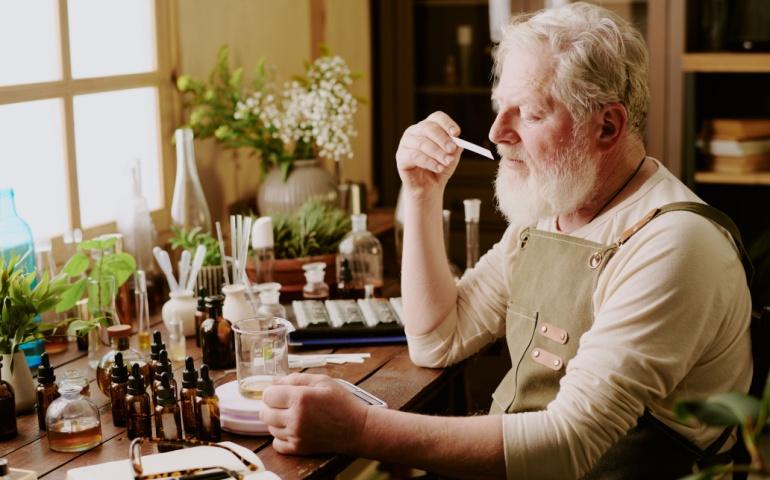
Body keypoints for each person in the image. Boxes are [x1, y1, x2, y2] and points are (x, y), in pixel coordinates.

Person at [260, 3, 753, 478]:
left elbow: (567, 445)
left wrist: (360, 428)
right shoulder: (549, 215)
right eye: (501, 108)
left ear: (607, 126)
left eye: (531, 114)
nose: (497, 132)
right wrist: (422, 193)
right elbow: (436, 339)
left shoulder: (673, 244)